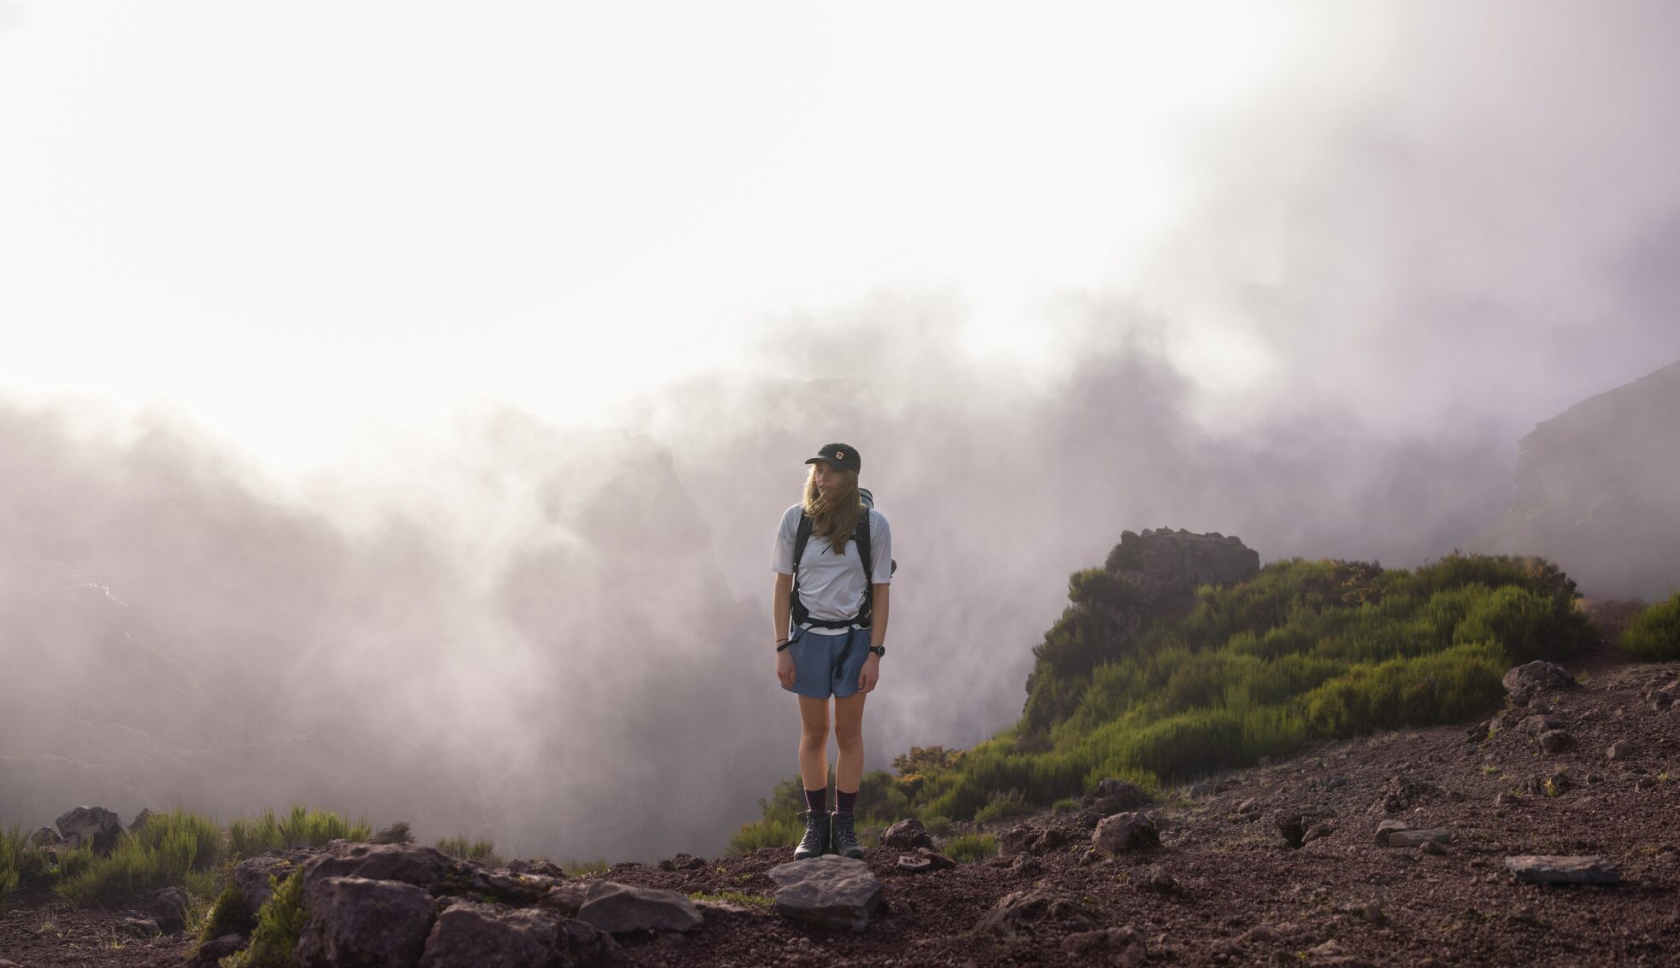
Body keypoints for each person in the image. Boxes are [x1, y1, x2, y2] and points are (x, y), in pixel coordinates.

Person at [770, 443, 892, 860]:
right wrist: (782, 646)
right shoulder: (795, 520)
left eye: (831, 472)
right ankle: (815, 827)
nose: (821, 478)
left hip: (854, 640)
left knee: (849, 733)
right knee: (815, 733)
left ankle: (846, 828)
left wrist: (875, 653)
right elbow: (782, 587)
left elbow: (880, 593)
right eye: (818, 471)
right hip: (807, 638)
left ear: (851, 478)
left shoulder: (873, 525)